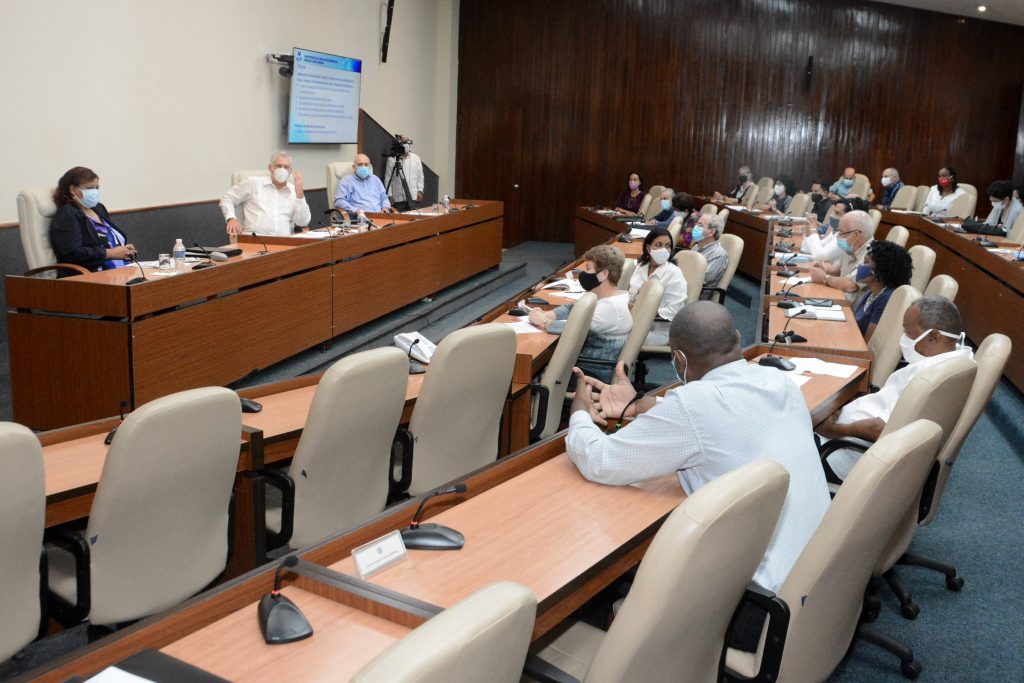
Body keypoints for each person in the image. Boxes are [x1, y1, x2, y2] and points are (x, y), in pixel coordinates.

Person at [566, 302, 830, 650]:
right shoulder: (777, 381)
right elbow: (726, 421)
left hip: (759, 608)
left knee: (592, 596)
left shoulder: (694, 406)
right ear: (736, 339)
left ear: (679, 359)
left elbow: (600, 461)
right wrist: (639, 408)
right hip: (820, 582)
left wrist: (580, 416)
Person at [819, 296, 973, 482]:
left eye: (908, 333)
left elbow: (879, 429)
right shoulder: (958, 359)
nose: (904, 338)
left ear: (933, 336)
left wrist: (833, 430)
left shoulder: (928, 378)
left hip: (843, 453)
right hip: (846, 438)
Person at [527, 245, 631, 381]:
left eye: (588, 268)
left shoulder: (610, 308)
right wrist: (548, 315)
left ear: (604, 274)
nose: (583, 274)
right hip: (582, 366)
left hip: (588, 375)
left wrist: (543, 322)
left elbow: (574, 331)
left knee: (529, 372)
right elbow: (573, 308)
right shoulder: (608, 296)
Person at [51, 166, 137, 271]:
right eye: (90, 188)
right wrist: (110, 253)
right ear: (73, 190)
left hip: (123, 270)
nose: (95, 192)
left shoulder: (98, 208)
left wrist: (124, 250)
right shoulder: (67, 213)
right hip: (91, 276)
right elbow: (71, 253)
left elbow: (106, 241)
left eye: (97, 188)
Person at [220, 152, 310, 237]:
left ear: (290, 171)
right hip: (255, 240)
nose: (282, 169)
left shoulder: (294, 191)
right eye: (278, 166)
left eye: (286, 167)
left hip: (284, 242)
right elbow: (227, 198)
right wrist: (231, 218)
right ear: (270, 168)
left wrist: (300, 194)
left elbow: (303, 222)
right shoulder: (253, 183)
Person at [628, 227, 687, 345]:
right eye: (658, 245)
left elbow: (674, 311)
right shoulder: (641, 267)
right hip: (633, 319)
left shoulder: (674, 273)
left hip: (658, 329)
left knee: (616, 336)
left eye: (667, 246)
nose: (664, 250)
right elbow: (631, 294)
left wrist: (643, 310)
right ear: (648, 248)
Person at [852, 241, 913, 341]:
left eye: (866, 262)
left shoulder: (886, 299)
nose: (860, 266)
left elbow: (867, 343)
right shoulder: (872, 293)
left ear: (880, 269)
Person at [807, 210, 875, 301]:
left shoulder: (871, 255)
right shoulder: (850, 246)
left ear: (856, 235)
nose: (838, 236)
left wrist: (824, 278)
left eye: (841, 232)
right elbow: (836, 271)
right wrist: (823, 269)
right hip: (839, 296)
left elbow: (851, 286)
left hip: (850, 309)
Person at [690, 213, 729, 294]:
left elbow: (699, 281)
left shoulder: (718, 254)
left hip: (695, 296)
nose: (695, 227)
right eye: (696, 224)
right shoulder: (697, 246)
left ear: (711, 232)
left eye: (700, 225)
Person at [384, 134, 425, 211]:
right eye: (403, 142)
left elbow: (420, 177)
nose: (406, 145)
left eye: (407, 142)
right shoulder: (392, 159)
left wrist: (420, 191)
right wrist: (389, 195)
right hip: (398, 199)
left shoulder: (416, 158)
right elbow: (388, 178)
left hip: (414, 197)